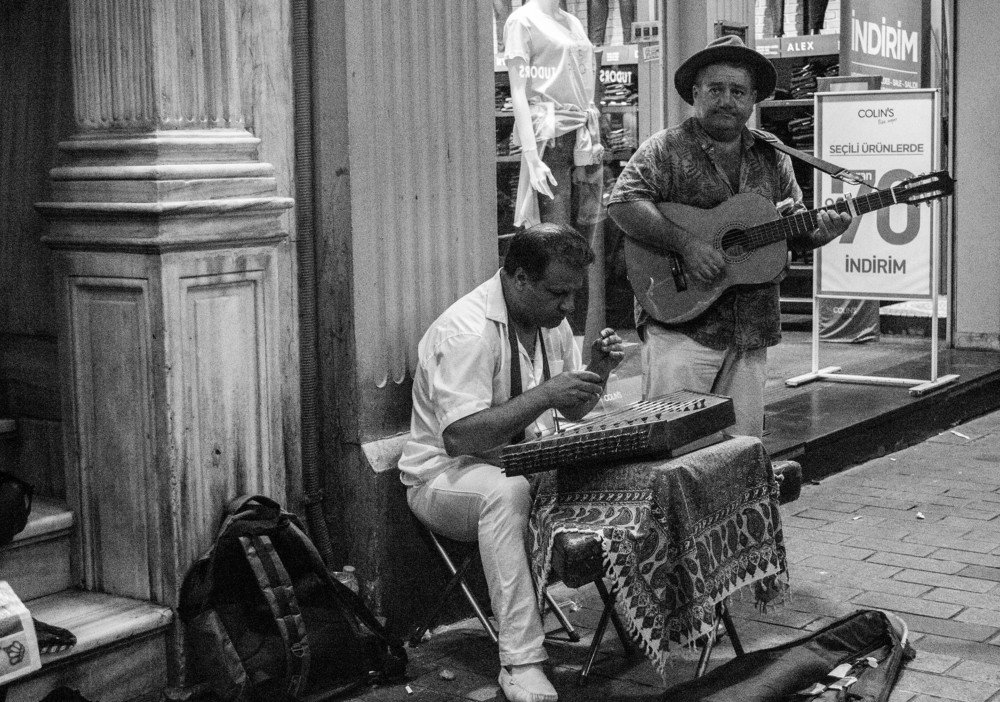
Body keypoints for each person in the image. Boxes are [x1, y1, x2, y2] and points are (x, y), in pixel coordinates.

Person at [399, 223, 624, 702]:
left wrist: (597, 371)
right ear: (519, 277)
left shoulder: (551, 322)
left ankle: (642, 613)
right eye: (558, 293)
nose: (568, 306)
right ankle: (520, 662)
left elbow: (570, 408)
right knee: (506, 492)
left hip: (520, 461)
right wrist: (546, 394)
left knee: (619, 466)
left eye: (573, 295)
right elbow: (460, 437)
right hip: (443, 479)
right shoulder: (467, 330)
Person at [607, 35, 852, 438]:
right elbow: (622, 203)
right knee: (674, 445)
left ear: (753, 99)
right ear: (695, 94)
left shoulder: (774, 156)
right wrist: (687, 244)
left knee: (740, 449)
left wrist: (820, 234)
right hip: (682, 324)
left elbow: (786, 234)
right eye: (715, 89)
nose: (726, 100)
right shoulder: (665, 149)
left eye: (737, 91)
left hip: (751, 329)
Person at [503, 0, 606, 342]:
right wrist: (531, 157)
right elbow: (518, 90)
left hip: (585, 142)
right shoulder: (522, 21)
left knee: (583, 257)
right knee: (556, 255)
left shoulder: (572, 23)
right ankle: (550, 353)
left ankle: (574, 356)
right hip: (552, 144)